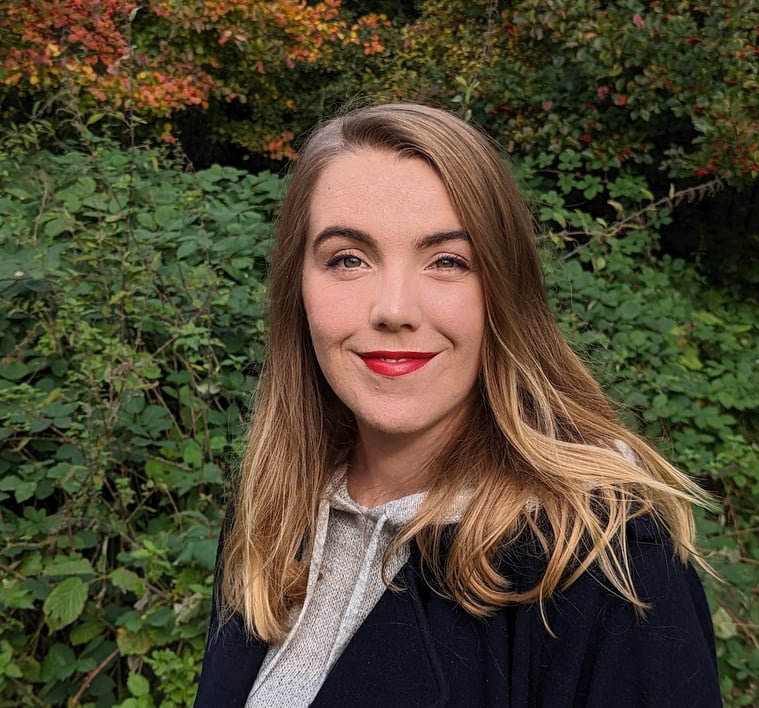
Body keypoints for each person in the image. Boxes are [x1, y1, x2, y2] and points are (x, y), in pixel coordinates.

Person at [194, 102, 721, 707]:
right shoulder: (271, 513)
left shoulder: (608, 563)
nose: (394, 309)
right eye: (348, 259)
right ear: (298, 287)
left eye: (448, 261)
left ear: (505, 290)